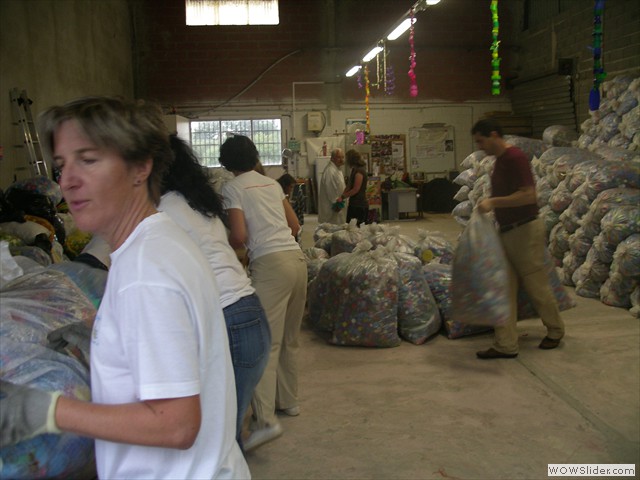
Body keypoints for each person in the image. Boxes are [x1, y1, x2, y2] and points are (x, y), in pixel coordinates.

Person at [0, 96, 250, 479]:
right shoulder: (160, 241)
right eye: (62, 164)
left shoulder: (144, 271)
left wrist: (46, 410)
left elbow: (176, 425)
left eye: (89, 159)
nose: (67, 180)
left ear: (140, 167)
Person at [160, 135, 271, 450]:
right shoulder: (197, 201)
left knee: (218, 437)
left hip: (230, 316)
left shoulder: (163, 210)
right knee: (224, 427)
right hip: (248, 309)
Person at [219, 135, 307, 452]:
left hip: (270, 265)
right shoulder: (271, 184)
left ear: (225, 164)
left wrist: (219, 241)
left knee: (265, 344)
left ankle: (264, 420)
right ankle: (290, 402)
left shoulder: (232, 187)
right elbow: (295, 225)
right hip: (298, 262)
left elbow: (240, 235)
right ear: (255, 156)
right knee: (290, 339)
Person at [472, 118, 565, 359]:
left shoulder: (515, 158)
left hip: (524, 230)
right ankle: (506, 344)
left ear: (494, 135)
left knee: (536, 285)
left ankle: (555, 331)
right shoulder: (500, 161)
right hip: (508, 230)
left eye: (481, 141)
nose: (480, 146)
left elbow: (528, 196)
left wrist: (493, 203)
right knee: (503, 288)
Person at [317, 148, 347, 225]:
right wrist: (337, 205)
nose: (341, 159)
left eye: (342, 157)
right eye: (339, 157)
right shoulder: (330, 171)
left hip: (338, 207)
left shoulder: (337, 169)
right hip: (333, 210)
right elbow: (331, 191)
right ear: (332, 158)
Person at [341, 149, 369, 226]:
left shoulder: (359, 171)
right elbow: (349, 186)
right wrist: (342, 196)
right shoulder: (354, 170)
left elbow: (356, 189)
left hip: (359, 205)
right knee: (350, 228)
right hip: (354, 203)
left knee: (357, 230)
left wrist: (343, 196)